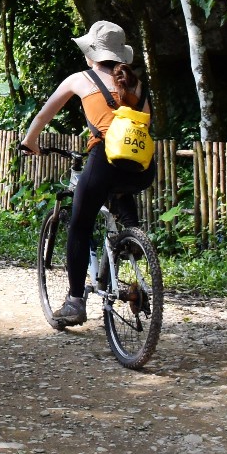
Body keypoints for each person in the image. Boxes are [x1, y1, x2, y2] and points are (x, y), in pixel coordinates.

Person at [21, 19, 156, 326]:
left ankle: (74, 301)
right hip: (143, 167)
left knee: (80, 226)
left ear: (93, 53)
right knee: (121, 194)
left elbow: (45, 114)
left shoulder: (81, 79)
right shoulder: (136, 84)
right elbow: (142, 128)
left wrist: (29, 142)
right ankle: (134, 250)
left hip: (104, 160)